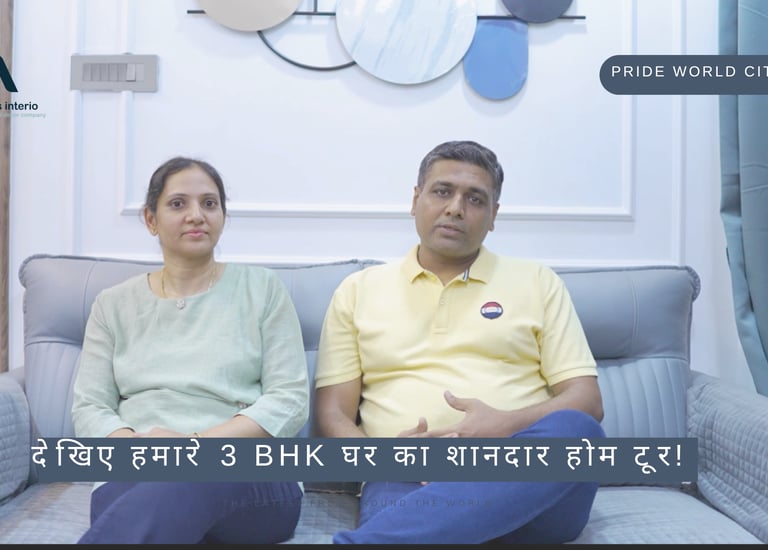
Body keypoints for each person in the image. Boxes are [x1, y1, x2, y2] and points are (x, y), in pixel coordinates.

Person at [314, 140, 606, 544]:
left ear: (493, 216)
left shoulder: (539, 282)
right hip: (408, 481)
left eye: (474, 198)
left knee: (577, 430)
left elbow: (587, 400)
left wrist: (504, 426)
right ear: (415, 200)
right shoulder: (358, 290)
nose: (455, 207)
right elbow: (332, 417)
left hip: (522, 476)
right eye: (442, 191)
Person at [71, 156, 309, 544]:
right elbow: (89, 407)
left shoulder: (263, 288)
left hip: (245, 472)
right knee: (150, 498)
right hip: (138, 469)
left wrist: (196, 446)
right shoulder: (112, 304)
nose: (196, 215)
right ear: (150, 220)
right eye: (178, 203)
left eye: (209, 203)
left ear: (223, 217)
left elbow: (289, 399)